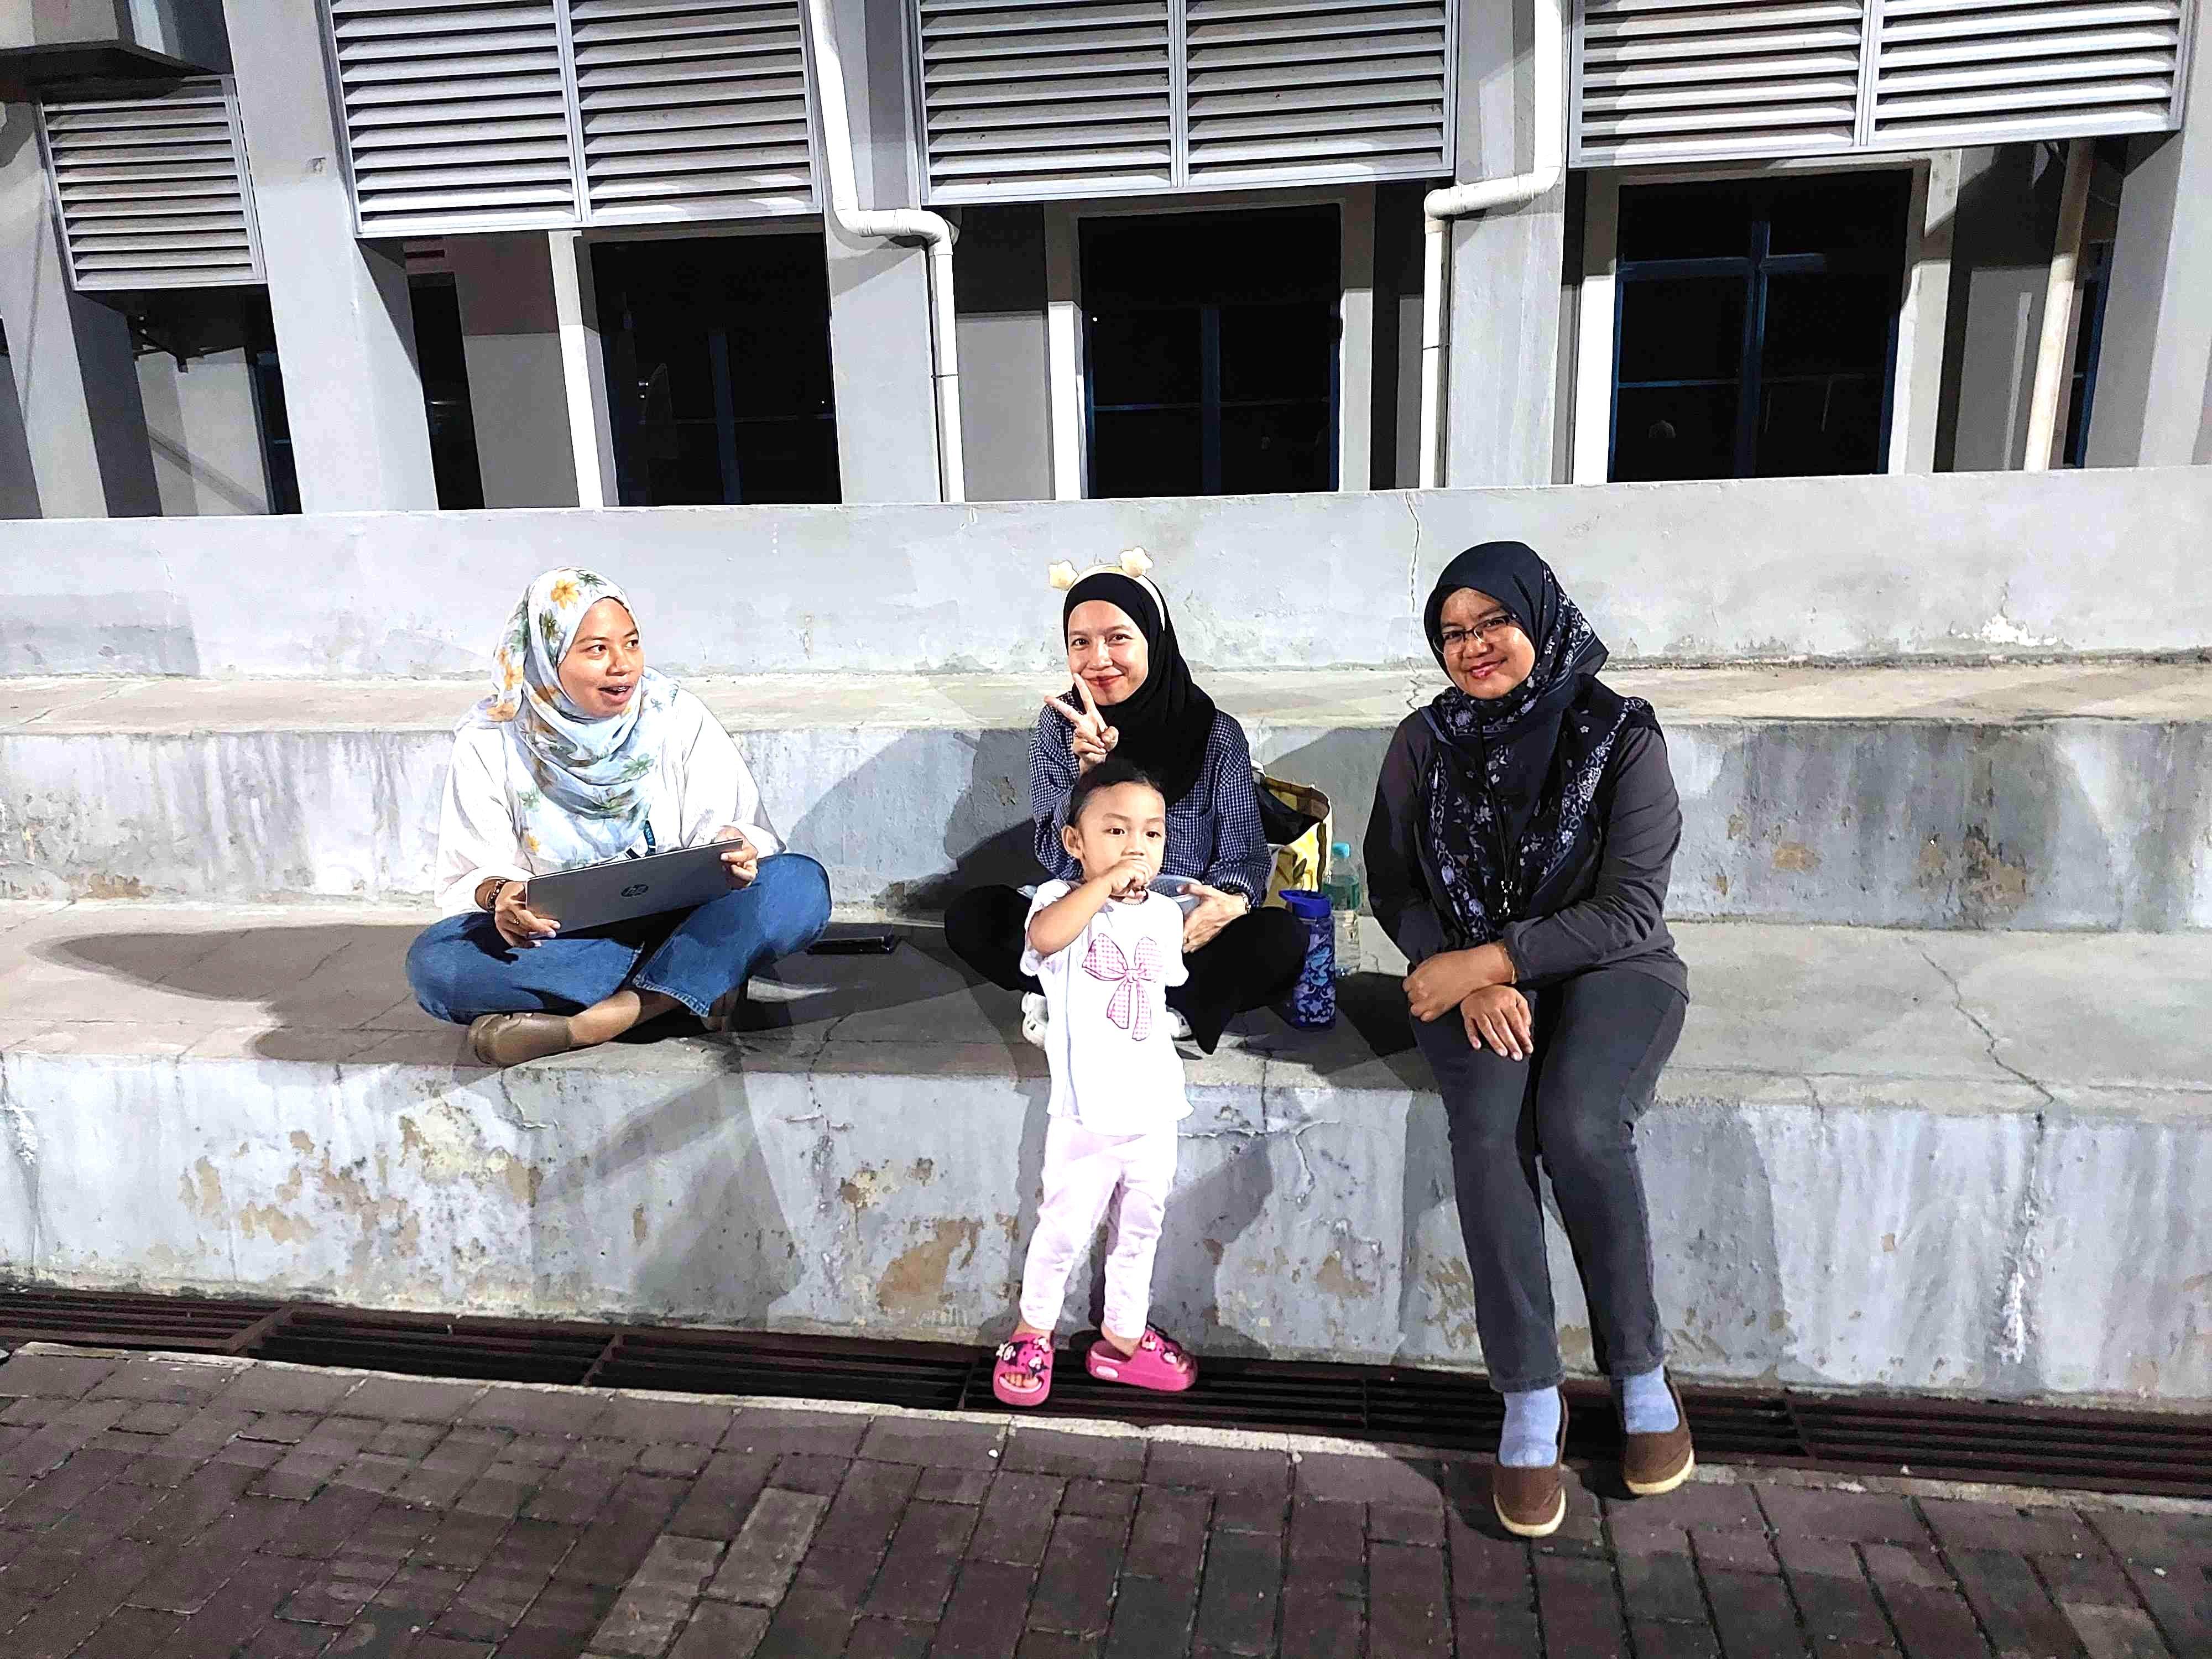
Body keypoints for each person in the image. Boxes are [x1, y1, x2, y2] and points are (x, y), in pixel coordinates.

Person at [1365, 540, 1695, 1539]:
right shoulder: (1424, 742)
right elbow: (1395, 884)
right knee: (1489, 1133)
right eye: (1452, 632)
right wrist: (1454, 968)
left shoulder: (1620, 735)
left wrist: (1493, 959)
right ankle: (1529, 1395)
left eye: (1494, 623)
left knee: (1582, 1125)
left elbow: (1630, 909)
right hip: (1466, 978)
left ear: (1540, 619)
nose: (1473, 647)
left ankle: (1640, 1374)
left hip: (1610, 968)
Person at [406, 567, 831, 1067]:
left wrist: (735, 846)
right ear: (547, 657)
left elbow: (735, 829)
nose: (623, 666)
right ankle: (696, 981)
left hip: (691, 917)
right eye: (597, 650)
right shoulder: (491, 739)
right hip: (576, 942)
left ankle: (602, 1021)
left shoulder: (672, 713)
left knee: (798, 884)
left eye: (632, 643)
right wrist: (503, 896)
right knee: (437, 963)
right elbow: (472, 873)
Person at [943, 551, 1307, 1054]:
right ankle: (1085, 990)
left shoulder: (1214, 734)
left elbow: (1243, 855)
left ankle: (1155, 1008)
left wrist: (1229, 903)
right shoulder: (1061, 727)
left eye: (1117, 638)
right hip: (1087, 914)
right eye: (1080, 642)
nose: (1098, 659)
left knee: (1282, 938)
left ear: (1153, 640)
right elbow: (1056, 856)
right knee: (974, 916)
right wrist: (1089, 777)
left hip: (1177, 921)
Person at [992, 758, 1199, 1407]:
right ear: (1074, 842)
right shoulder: (1061, 903)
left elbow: (1161, 987)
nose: (1136, 846)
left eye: (1151, 833)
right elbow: (1044, 938)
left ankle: (1124, 1335)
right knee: (1063, 1228)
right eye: (1115, 831)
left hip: (1155, 1110)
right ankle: (1033, 1331)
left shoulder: (1162, 914)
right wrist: (1104, 884)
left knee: (1141, 1227)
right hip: (1085, 1116)